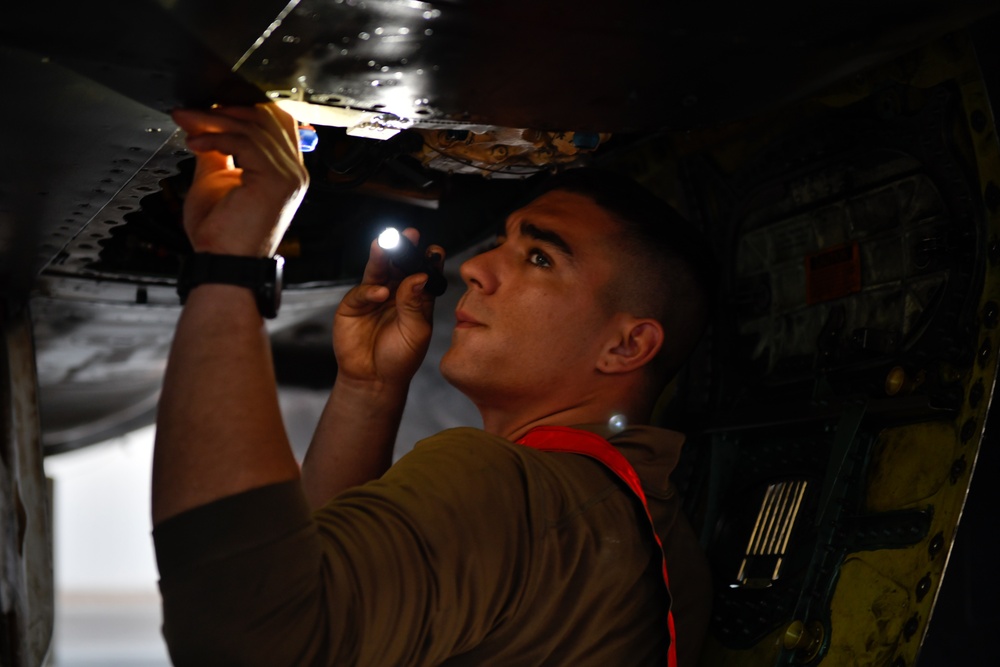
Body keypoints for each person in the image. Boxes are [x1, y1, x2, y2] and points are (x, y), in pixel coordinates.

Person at [152, 102, 713, 666]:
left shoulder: (509, 488)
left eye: (540, 257)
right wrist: (368, 389)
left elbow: (245, 635)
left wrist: (231, 262)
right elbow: (334, 579)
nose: (475, 268)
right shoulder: (646, 529)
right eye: (504, 241)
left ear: (626, 346)